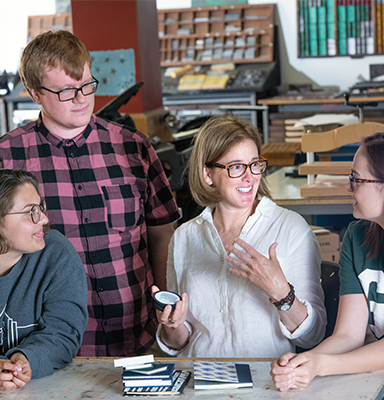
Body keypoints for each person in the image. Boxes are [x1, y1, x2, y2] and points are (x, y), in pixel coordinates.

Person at [0, 30, 180, 357]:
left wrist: (167, 304)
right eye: (68, 91)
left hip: (139, 336)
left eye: (87, 85)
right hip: (49, 347)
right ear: (35, 93)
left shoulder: (133, 147)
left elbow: (161, 234)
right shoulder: (8, 158)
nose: (82, 99)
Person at [151, 115, 327, 357]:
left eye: (254, 164)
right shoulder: (184, 237)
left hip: (265, 382)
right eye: (236, 167)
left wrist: (281, 293)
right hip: (200, 383)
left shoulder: (290, 228)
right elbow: (180, 343)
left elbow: (313, 335)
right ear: (207, 175)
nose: (249, 176)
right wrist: (173, 325)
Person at [270, 131, 384, 399]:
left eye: (356, 179)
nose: (348, 187)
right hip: (383, 382)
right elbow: (349, 335)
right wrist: (301, 363)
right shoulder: (357, 237)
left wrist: (321, 365)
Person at [0, 169, 88, 390]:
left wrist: (25, 360)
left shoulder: (56, 253)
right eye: (31, 212)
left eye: (40, 208)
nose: (45, 219)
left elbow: (63, 332)